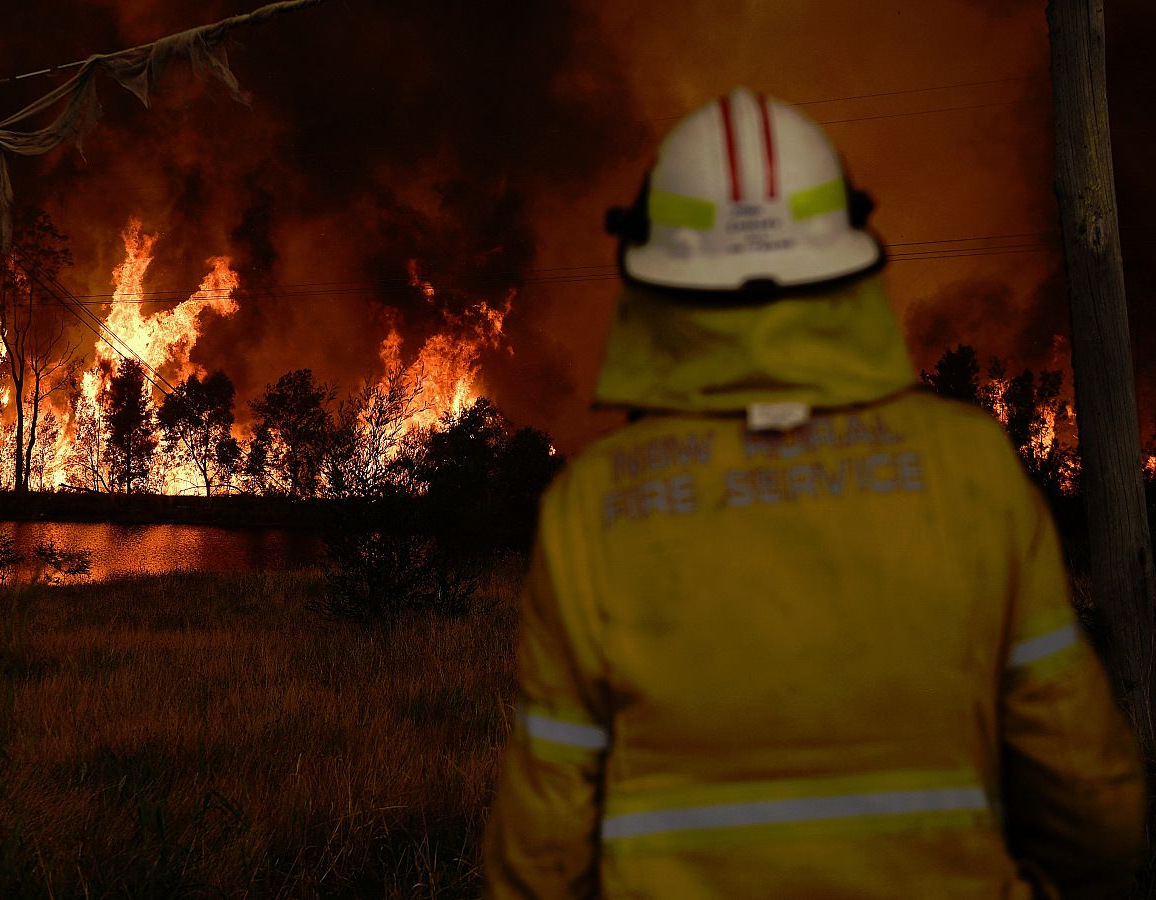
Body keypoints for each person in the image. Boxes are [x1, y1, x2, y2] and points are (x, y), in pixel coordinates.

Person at [481, 86, 1147, 899]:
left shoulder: (592, 508)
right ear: (844, 263)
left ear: (660, 281)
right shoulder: (968, 469)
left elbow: (535, 857)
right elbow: (1093, 805)